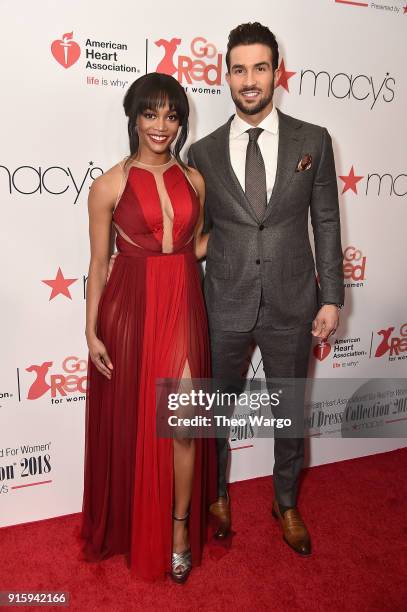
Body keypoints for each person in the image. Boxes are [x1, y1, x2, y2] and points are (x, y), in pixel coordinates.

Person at [188, 22, 344, 555]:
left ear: (277, 72)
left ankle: (285, 500)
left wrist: (331, 296)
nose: (249, 80)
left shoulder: (313, 140)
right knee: (216, 410)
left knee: (290, 409)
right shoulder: (202, 153)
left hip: (293, 300)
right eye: (239, 69)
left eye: (260, 67)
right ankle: (216, 495)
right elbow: (198, 234)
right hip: (224, 301)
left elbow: (325, 220)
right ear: (224, 75)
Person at [81, 72, 216, 583]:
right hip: (130, 308)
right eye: (151, 113)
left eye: (172, 115)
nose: (162, 126)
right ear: (134, 118)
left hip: (182, 302)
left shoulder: (194, 179)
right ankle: (135, 522)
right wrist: (91, 331)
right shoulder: (108, 185)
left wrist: (241, 238)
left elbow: (194, 246)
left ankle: (179, 528)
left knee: (183, 422)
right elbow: (98, 263)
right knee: (138, 422)